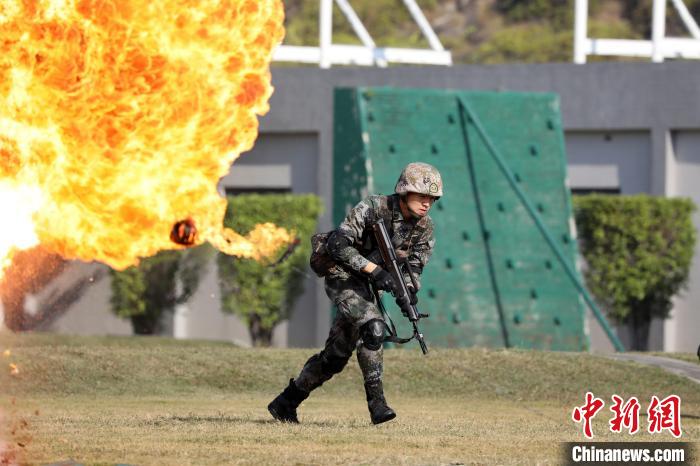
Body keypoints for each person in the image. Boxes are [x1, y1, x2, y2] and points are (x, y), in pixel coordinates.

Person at [268, 162, 442, 425]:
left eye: (432, 198)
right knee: (374, 328)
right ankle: (377, 404)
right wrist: (375, 270)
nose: (427, 203)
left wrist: (406, 292)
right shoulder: (374, 208)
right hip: (342, 275)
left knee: (335, 358)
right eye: (421, 196)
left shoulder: (424, 228)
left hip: (367, 286)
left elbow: (414, 267)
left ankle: (286, 402)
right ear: (405, 192)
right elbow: (338, 243)